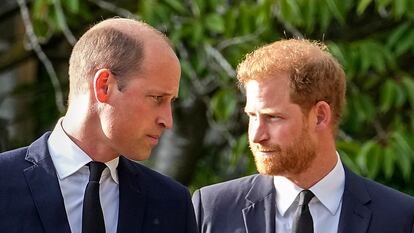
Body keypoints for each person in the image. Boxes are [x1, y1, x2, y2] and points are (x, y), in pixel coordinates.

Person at [192, 39, 414, 233]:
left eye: (273, 117)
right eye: (252, 116)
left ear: (319, 116)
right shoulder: (213, 208)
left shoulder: (399, 217)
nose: (257, 135)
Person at [0, 18, 197, 233]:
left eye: (171, 102)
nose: (167, 121)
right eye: (157, 97)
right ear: (104, 85)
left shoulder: (173, 203)